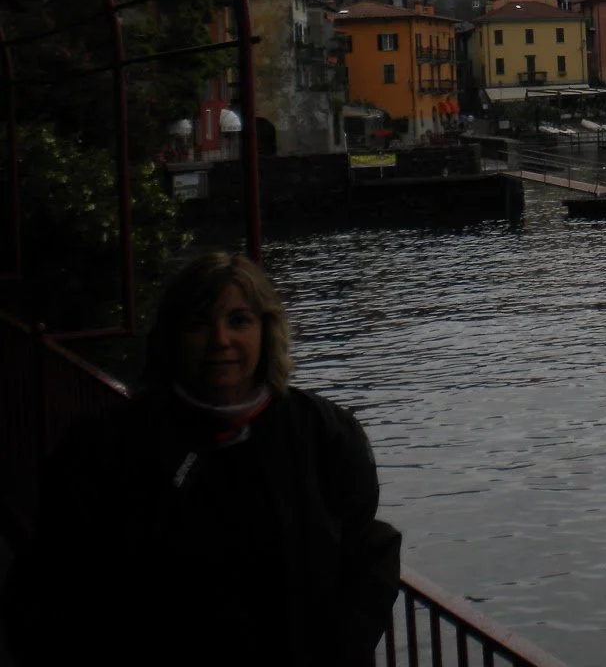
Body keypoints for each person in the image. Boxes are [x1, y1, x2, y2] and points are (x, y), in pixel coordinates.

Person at [2, 252, 401, 666]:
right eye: (198, 323)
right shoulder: (102, 446)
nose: (220, 339)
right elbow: (49, 585)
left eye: (239, 321)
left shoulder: (325, 432)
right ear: (172, 338)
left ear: (267, 331)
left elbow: (365, 550)